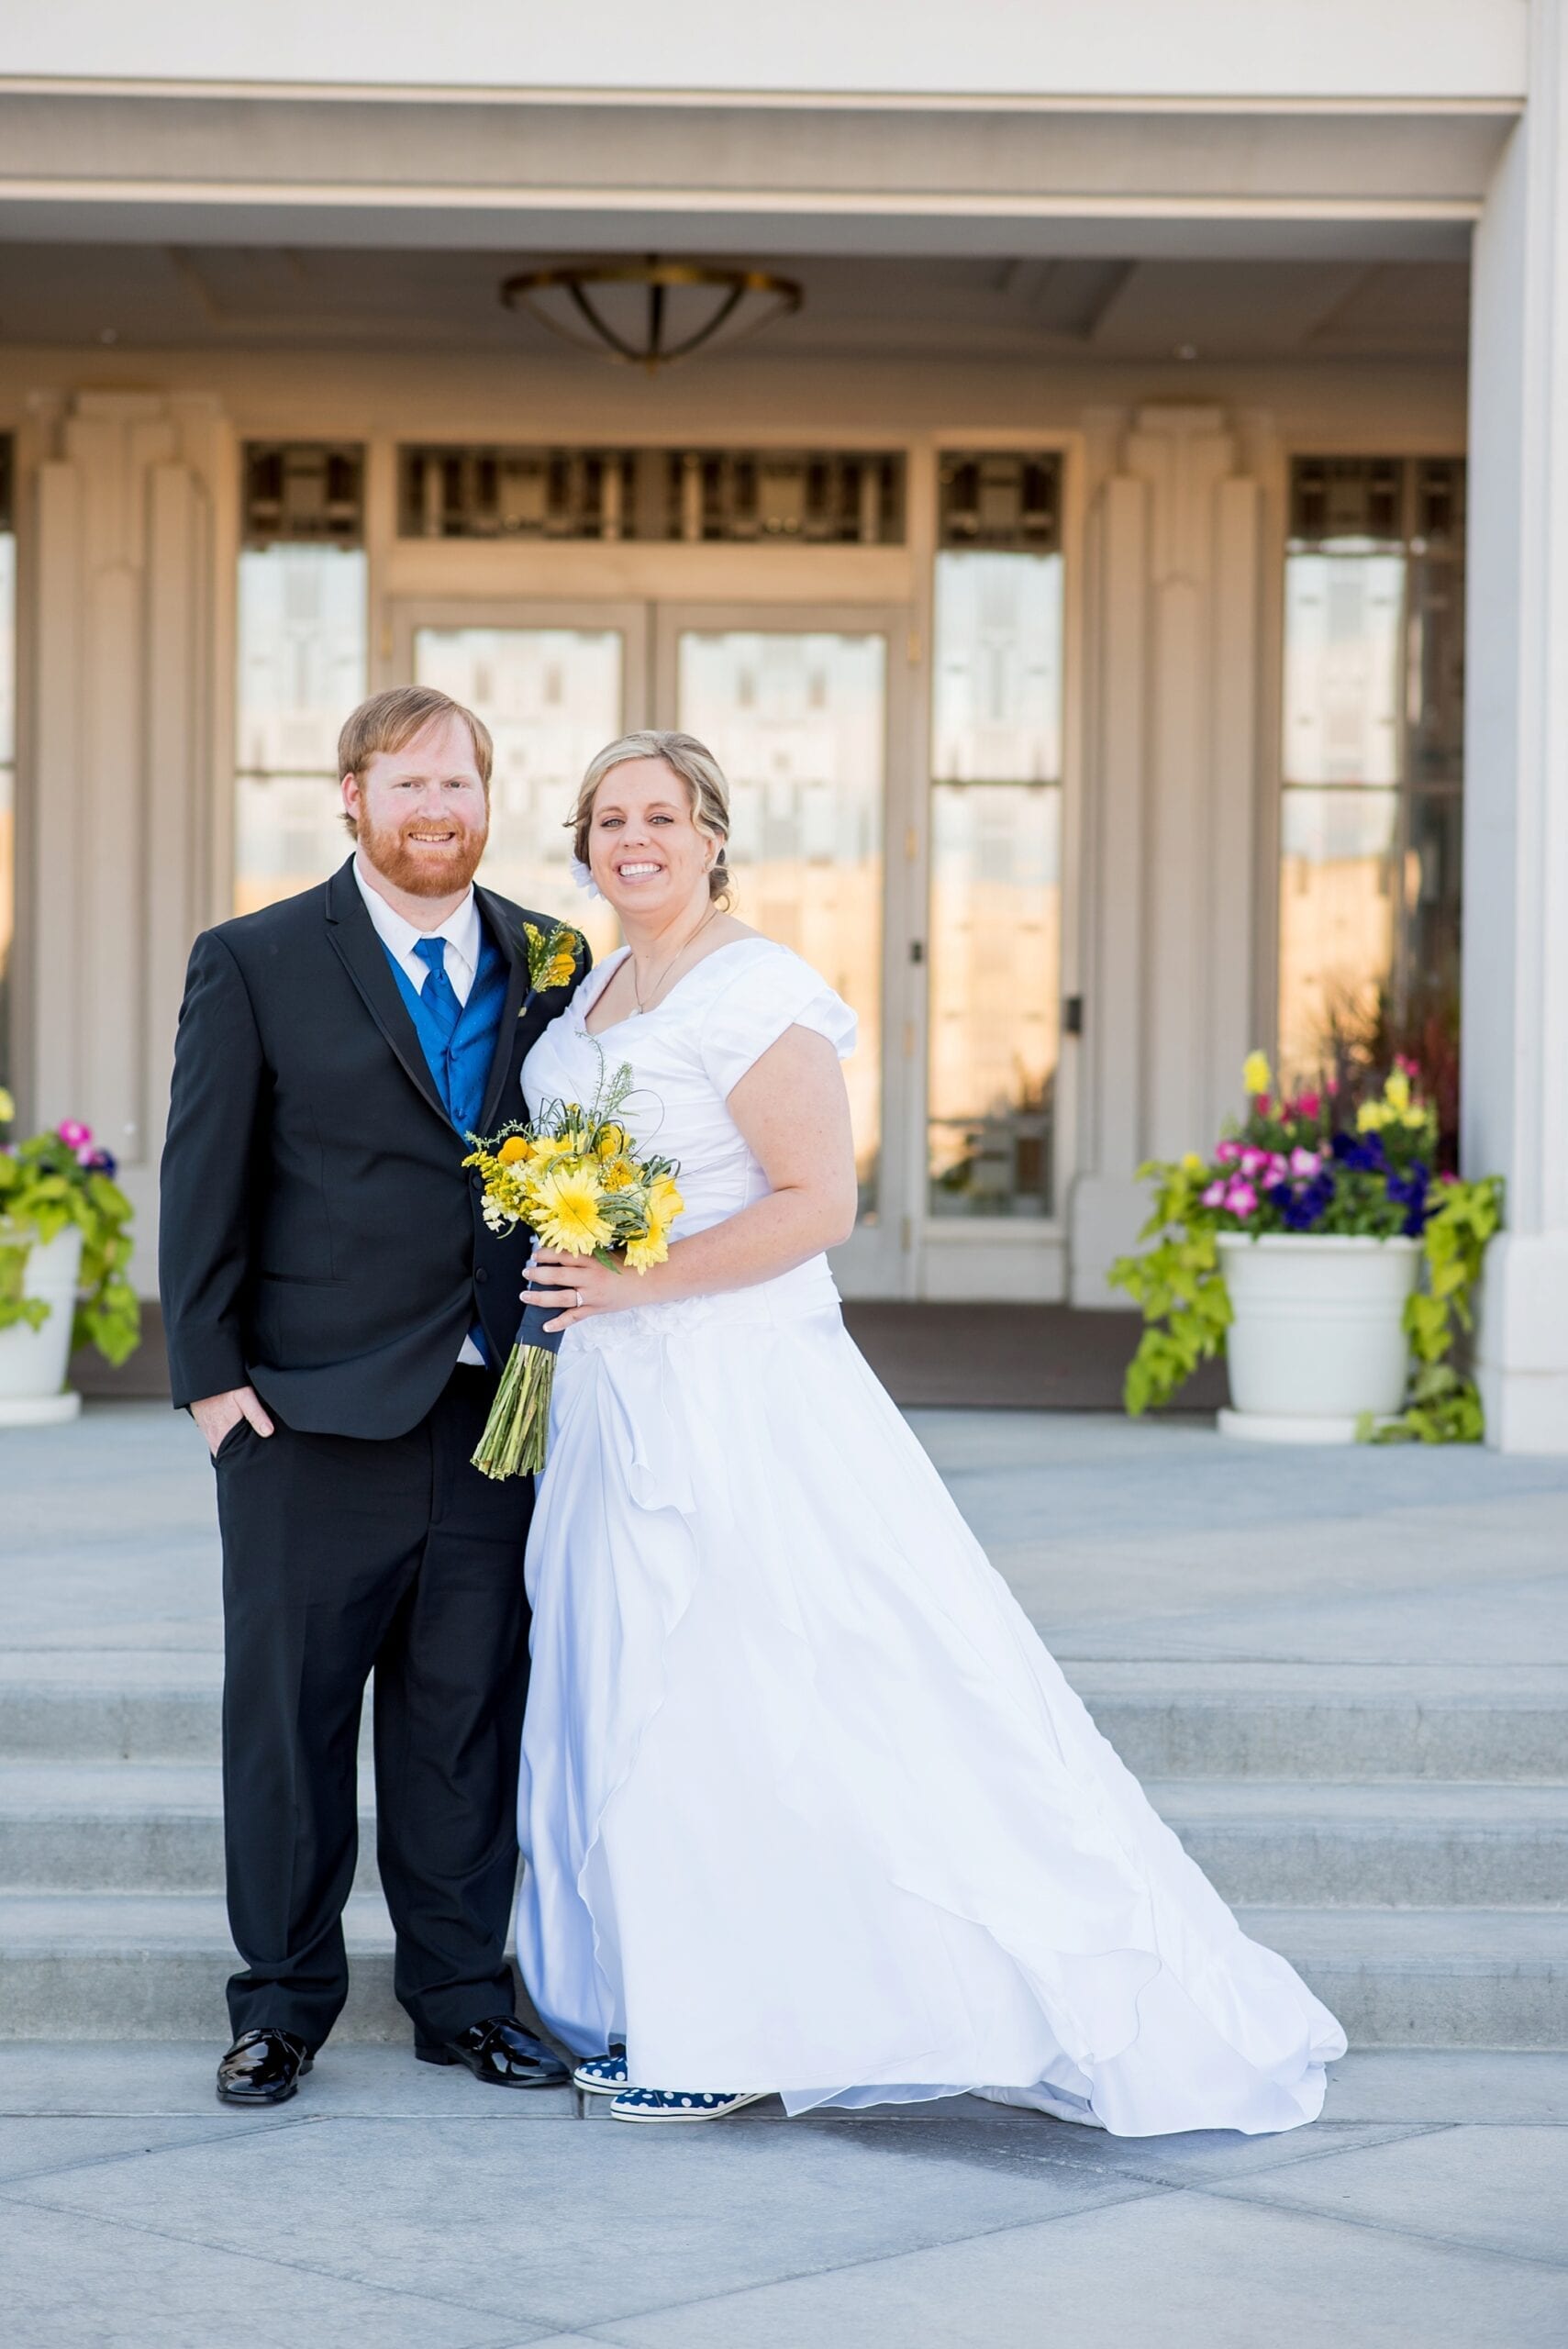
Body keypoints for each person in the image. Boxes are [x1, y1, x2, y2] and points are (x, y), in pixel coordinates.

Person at [513, 729, 1346, 2132]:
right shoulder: (593, 986)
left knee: (749, 1686)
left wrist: (632, 1279)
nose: (632, 839)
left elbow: (813, 1206)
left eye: (661, 814)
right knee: (636, 1689)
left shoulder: (757, 990)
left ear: (715, 835)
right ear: (583, 844)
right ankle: (678, 1995)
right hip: (614, 1392)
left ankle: (737, 2028)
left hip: (740, 1395)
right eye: (607, 818)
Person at [160, 685, 584, 2106]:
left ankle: (462, 1997)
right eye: (406, 787)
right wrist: (216, 1392)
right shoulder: (258, 958)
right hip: (305, 1418)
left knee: (463, 1720)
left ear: (487, 794)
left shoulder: (554, 958)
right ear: (350, 795)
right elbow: (203, 1182)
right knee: (287, 1726)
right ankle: (281, 2004)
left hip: (491, 1415)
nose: (435, 812)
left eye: (458, 784)